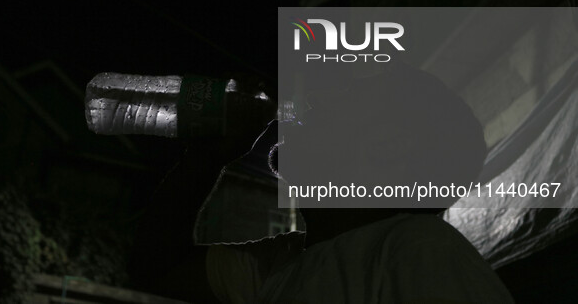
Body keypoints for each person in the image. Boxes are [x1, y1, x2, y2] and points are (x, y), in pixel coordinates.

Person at [133, 60, 514, 303]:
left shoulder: (418, 247)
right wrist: (208, 154)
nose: (314, 102)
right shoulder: (277, 264)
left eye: (347, 98)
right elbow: (156, 270)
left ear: (388, 145)